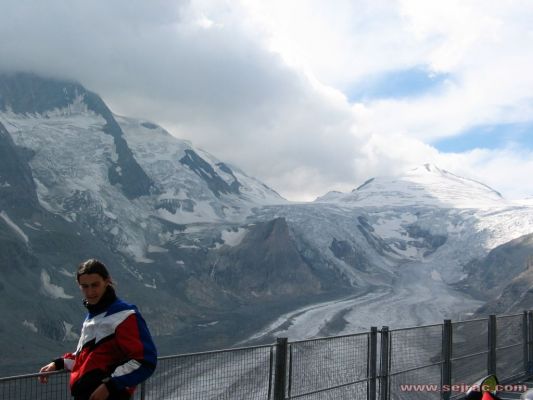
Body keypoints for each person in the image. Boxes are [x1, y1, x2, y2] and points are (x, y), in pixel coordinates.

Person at [39, 259, 157, 400]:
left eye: (95, 285)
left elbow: (145, 360)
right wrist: (58, 363)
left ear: (107, 281)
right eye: (85, 286)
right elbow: (87, 359)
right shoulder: (92, 317)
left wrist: (110, 386)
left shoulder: (125, 315)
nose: (90, 292)